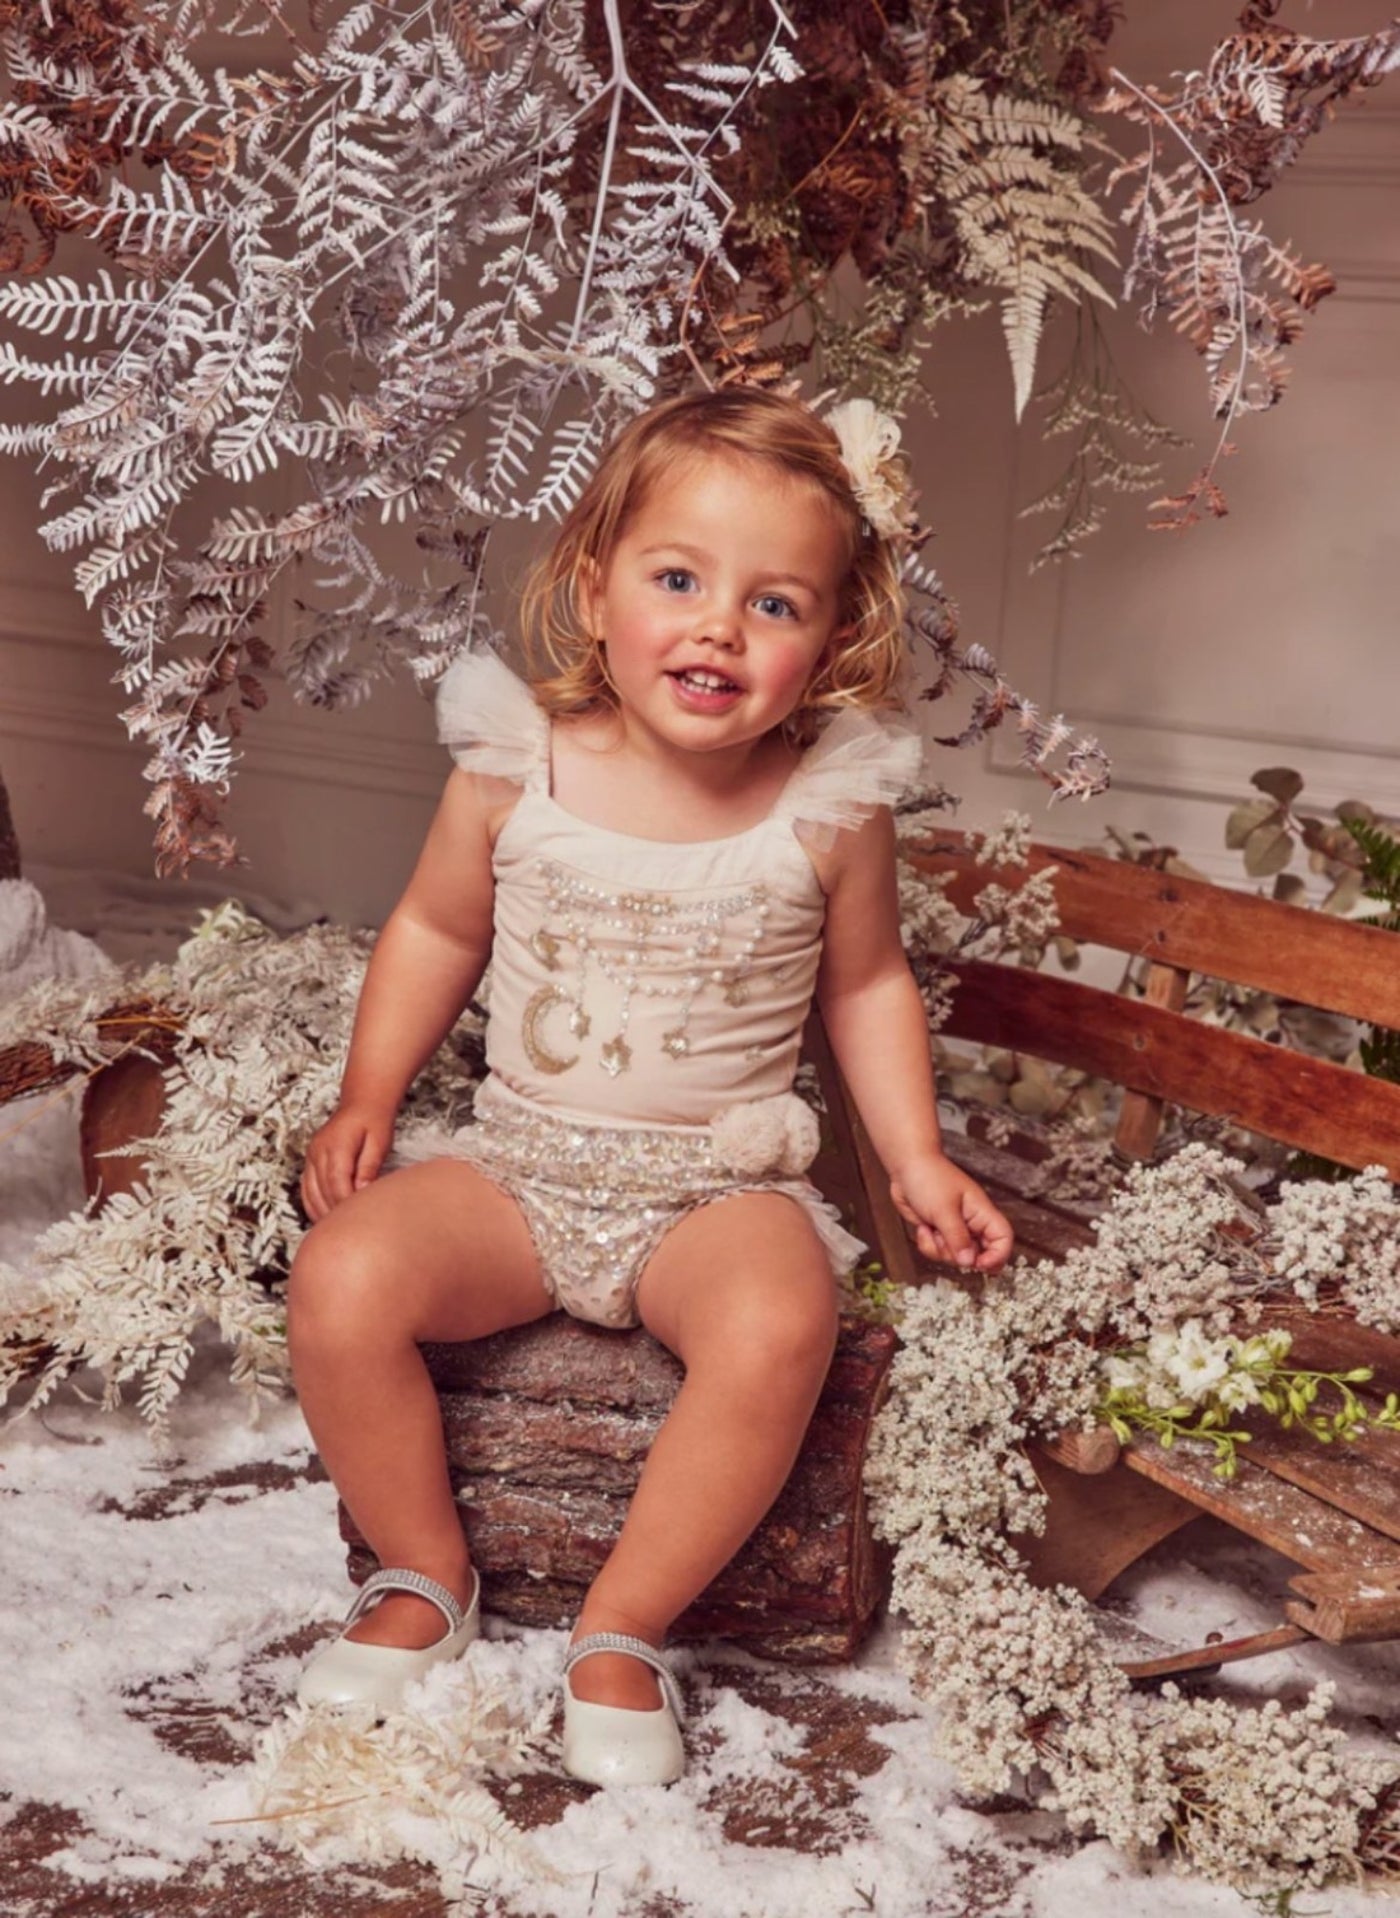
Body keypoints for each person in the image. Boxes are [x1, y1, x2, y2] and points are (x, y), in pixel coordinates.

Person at [288, 387, 1015, 1788]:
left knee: (780, 1319)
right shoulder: (518, 768)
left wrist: (915, 1157)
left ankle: (623, 1626)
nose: (717, 627)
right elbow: (435, 929)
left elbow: (867, 986)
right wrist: (368, 1091)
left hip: (712, 1187)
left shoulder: (828, 807)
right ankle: (423, 1570)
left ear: (833, 639)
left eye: (773, 602)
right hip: (519, 1170)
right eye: (677, 579)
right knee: (340, 1280)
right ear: (593, 586)